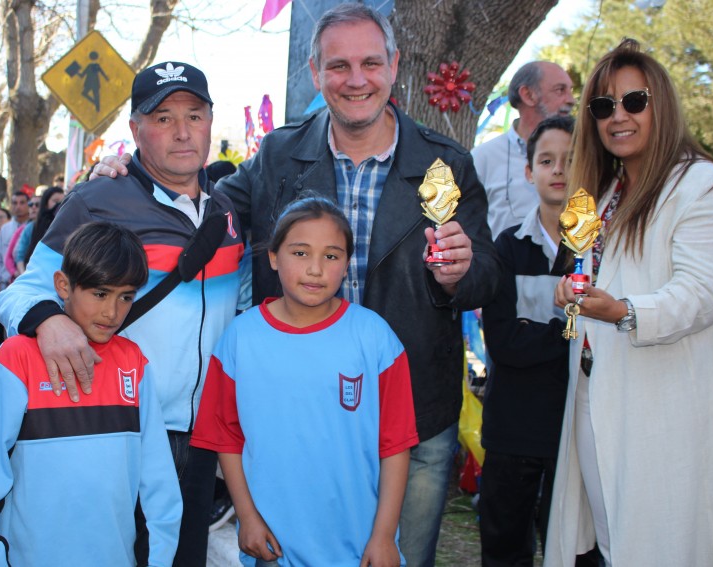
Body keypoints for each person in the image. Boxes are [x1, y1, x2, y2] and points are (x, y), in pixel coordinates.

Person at [93, 7, 498, 565]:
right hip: (294, 416)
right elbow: (203, 211)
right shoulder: (280, 156)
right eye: (339, 65)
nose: (356, 79)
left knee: (397, 556)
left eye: (370, 63)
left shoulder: (445, 164)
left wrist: (460, 273)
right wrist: (131, 177)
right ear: (315, 72)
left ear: (394, 66)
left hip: (412, 417)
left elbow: (487, 274)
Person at [0, 61, 244, 567]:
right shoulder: (97, 199)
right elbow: (21, 291)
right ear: (135, 129)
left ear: (210, 122)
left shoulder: (227, 212)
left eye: (194, 116)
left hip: (200, 440)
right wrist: (51, 320)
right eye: (162, 118)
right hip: (114, 429)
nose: (182, 132)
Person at [546, 39, 713, 566]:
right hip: (597, 396)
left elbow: (702, 293)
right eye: (603, 106)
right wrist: (572, 294)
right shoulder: (608, 193)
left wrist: (621, 310)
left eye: (633, 101)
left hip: (662, 410)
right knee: (613, 542)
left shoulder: (701, 184)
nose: (617, 116)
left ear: (660, 105)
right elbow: (596, 278)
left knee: (661, 544)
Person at [192, 196, 418, 566]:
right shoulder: (239, 339)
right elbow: (225, 438)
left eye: (331, 256)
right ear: (273, 257)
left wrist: (382, 536)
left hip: (359, 548)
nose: (315, 269)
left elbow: (395, 444)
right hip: (273, 548)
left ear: (346, 265)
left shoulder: (376, 338)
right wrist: (246, 517)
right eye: (300, 253)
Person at [0, 222, 182, 565]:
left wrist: (159, 559)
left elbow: (159, 481)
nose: (112, 312)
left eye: (126, 297)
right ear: (63, 285)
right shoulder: (16, 359)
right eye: (100, 293)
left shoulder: (133, 364)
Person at [479, 116, 576, 565]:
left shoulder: (604, 249)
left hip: (574, 430)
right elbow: (503, 343)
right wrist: (568, 332)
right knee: (505, 547)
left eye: (572, 160)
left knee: (576, 549)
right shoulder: (507, 247)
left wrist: (539, 333)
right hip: (513, 428)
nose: (559, 170)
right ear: (528, 172)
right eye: (547, 160)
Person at [472, 61, 575, 238]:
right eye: (560, 90)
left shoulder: (584, 155)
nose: (571, 100)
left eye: (570, 91)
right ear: (528, 95)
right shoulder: (482, 158)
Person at [15, 185, 64, 273]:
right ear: (45, 203)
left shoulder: (66, 225)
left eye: (63, 201)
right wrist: (23, 274)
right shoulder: (32, 227)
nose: (59, 205)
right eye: (55, 201)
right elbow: (20, 254)